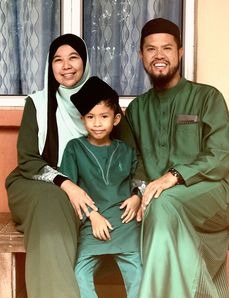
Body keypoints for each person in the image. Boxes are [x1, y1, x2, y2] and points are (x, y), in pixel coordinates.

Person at [5, 34, 138, 298]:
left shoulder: (103, 101)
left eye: (73, 57)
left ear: (85, 61)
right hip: (38, 182)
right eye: (57, 60)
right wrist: (67, 185)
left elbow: (133, 157)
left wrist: (137, 195)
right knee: (53, 202)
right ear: (50, 66)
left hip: (88, 192)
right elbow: (28, 159)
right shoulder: (38, 103)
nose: (65, 66)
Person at [125, 18, 229, 298]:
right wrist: (139, 191)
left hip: (210, 192)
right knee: (159, 206)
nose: (159, 55)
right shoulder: (136, 110)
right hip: (159, 200)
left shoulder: (207, 98)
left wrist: (172, 176)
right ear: (141, 56)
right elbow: (135, 162)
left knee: (162, 204)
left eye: (167, 48)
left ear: (180, 52)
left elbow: (220, 155)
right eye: (151, 49)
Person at [59, 76, 143, 298]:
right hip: (91, 224)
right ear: (82, 119)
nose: (97, 123)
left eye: (104, 116)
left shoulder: (125, 150)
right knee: (79, 273)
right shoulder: (74, 148)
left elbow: (139, 180)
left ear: (115, 120)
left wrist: (136, 197)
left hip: (125, 223)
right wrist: (92, 215)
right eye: (91, 117)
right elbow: (69, 190)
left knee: (139, 274)